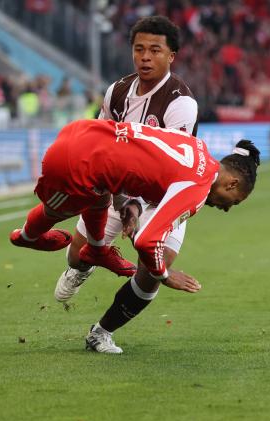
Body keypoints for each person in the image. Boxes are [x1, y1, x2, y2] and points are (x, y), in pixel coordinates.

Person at [10, 119, 260, 353]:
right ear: (232, 184)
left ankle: (95, 251)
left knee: (98, 198)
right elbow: (147, 240)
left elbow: (142, 157)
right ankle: (25, 237)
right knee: (56, 210)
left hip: (83, 132)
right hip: (78, 163)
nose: (226, 208)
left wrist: (131, 204)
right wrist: (164, 275)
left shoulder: (196, 146)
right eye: (234, 203)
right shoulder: (198, 188)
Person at [53, 16, 199, 306]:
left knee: (152, 270)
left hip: (163, 196)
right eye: (139, 49)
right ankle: (84, 267)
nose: (145, 57)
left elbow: (170, 170)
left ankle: (103, 330)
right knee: (76, 256)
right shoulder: (117, 92)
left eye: (155, 50)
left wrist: (139, 215)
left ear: (171, 56)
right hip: (119, 187)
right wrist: (122, 202)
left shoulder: (180, 103)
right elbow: (99, 147)